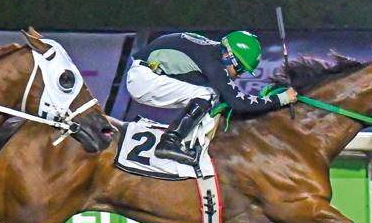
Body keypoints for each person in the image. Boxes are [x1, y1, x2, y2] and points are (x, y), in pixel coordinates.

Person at [126, 31, 298, 165]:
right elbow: (238, 102)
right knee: (207, 94)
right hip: (142, 79)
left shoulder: (213, 53)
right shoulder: (214, 62)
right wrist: (281, 99)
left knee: (212, 95)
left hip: (147, 74)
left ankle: (190, 142)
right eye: (240, 69)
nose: (239, 76)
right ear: (231, 58)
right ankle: (169, 143)